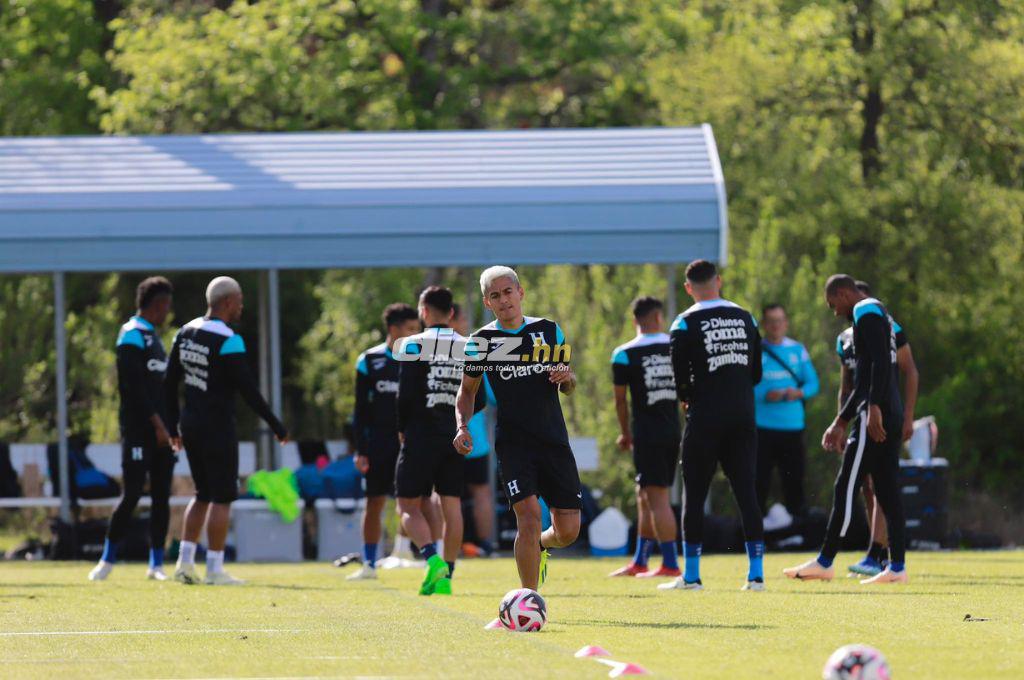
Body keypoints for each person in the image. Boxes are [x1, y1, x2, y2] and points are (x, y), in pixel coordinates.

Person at [454, 266, 581, 602]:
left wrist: (567, 377)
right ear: (487, 302)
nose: (504, 300)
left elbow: (568, 385)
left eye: (508, 292)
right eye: (495, 296)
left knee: (568, 531)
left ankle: (542, 544)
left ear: (520, 292)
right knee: (527, 517)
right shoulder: (481, 342)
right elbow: (467, 392)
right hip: (514, 444)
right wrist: (462, 426)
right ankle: (529, 602)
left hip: (553, 440)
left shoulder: (549, 331)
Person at [164, 276, 288, 585]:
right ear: (229, 302)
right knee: (222, 498)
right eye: (240, 300)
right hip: (217, 428)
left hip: (190, 425)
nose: (242, 306)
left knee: (202, 493)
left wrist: (171, 425)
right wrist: (276, 424)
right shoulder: (228, 339)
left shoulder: (185, 332)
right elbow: (248, 391)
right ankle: (215, 568)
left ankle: (184, 564)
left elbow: (168, 384)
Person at [784, 275, 908, 585]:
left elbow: (878, 365)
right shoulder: (876, 314)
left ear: (842, 294)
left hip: (875, 416)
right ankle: (897, 567)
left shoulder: (865, 311)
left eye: (832, 304)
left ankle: (825, 561)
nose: (834, 311)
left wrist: (871, 408)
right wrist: (842, 419)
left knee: (846, 485)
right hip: (886, 411)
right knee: (888, 491)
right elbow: (868, 374)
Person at [663, 259, 765, 592]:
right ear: (718, 281)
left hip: (705, 416)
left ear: (688, 288)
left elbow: (679, 375)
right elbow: (756, 373)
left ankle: (691, 576)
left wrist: (689, 396)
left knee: (694, 494)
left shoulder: (684, 322)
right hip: (743, 415)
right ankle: (756, 575)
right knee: (747, 491)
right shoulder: (745, 317)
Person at [393, 286, 481, 596]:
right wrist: (462, 421)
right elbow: (478, 396)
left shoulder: (414, 345)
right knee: (451, 504)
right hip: (455, 434)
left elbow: (405, 394)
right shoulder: (469, 346)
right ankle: (448, 575)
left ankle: (432, 560)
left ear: (424, 312)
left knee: (406, 505)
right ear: (453, 314)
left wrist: (403, 428)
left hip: (420, 434)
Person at [89, 277, 176, 582]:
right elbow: (133, 388)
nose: (168, 312)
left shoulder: (157, 339)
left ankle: (156, 565)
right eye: (167, 305)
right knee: (133, 493)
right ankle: (107, 559)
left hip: (164, 433)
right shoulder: (131, 334)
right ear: (159, 304)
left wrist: (171, 428)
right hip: (140, 431)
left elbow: (163, 390)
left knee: (162, 496)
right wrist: (156, 425)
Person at [839, 281, 919, 576]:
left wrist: (908, 415)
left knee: (881, 485)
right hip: (858, 415)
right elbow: (847, 383)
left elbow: (908, 370)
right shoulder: (845, 338)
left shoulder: (887, 326)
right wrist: (841, 420)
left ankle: (879, 553)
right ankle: (879, 553)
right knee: (868, 487)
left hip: (882, 415)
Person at [346, 303, 421, 581]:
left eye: (418, 329)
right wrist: (361, 450)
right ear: (393, 329)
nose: (416, 334)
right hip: (378, 444)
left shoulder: (418, 357)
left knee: (416, 502)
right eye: (410, 329)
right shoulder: (369, 360)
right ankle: (368, 564)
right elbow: (360, 411)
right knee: (374, 503)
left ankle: (417, 555)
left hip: (411, 442)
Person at [609, 296, 682, 579]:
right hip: (672, 431)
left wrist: (625, 433)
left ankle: (671, 565)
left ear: (634, 320)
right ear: (659, 318)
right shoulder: (673, 345)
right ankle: (640, 561)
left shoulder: (624, 353)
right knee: (644, 496)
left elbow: (620, 401)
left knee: (658, 499)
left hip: (647, 434)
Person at [754, 304, 819, 521]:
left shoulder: (797, 350)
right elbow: (747, 388)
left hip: (792, 428)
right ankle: (756, 535)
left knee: (794, 482)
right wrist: (766, 394)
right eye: (771, 321)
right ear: (764, 324)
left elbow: (813, 384)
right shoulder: (755, 350)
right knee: (759, 483)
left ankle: (798, 531)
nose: (776, 325)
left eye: (779, 320)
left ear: (786, 323)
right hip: (762, 428)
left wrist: (798, 393)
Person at [451, 303, 498, 558]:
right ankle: (485, 546)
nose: (467, 323)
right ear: (452, 319)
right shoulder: (475, 351)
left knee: (448, 495)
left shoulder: (429, 351)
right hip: (475, 437)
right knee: (480, 492)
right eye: (463, 318)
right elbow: (491, 396)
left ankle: (449, 545)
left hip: (447, 435)